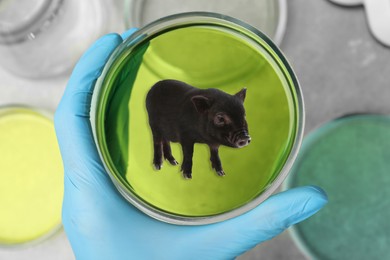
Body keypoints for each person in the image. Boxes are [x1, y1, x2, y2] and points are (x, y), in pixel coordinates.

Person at [54, 29, 328, 259]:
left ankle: (182, 162)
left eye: (240, 121)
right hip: (167, 111)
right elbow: (188, 138)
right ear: (202, 108)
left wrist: (216, 154)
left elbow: (214, 140)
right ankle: (163, 157)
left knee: (209, 143)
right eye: (223, 120)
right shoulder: (192, 110)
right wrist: (188, 163)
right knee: (160, 134)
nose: (239, 132)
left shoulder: (217, 112)